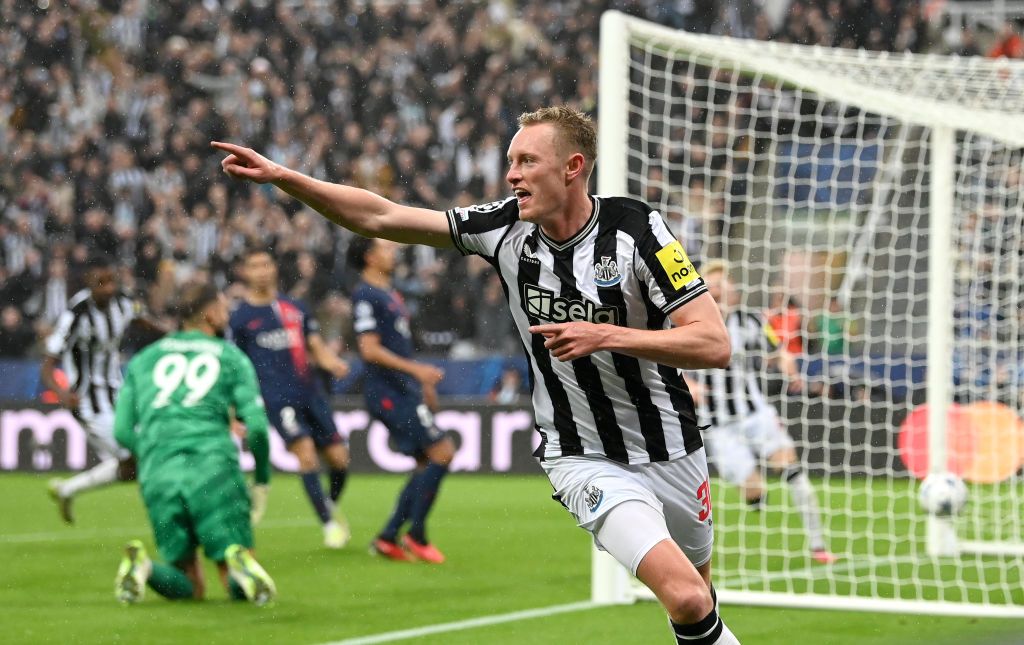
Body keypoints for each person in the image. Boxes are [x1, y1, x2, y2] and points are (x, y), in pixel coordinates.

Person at [213, 106, 740, 644]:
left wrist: (606, 334)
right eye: (510, 161)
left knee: (699, 597)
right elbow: (381, 217)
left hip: (674, 446)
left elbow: (713, 343)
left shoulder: (636, 228)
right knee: (688, 597)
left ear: (572, 167)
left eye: (527, 161)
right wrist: (286, 178)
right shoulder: (504, 227)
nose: (511, 174)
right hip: (582, 456)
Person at [112, 282, 276, 605]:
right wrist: (262, 479)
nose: (227, 310)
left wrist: (152, 453)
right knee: (234, 575)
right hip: (213, 468)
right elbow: (256, 428)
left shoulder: (144, 359)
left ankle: (143, 566)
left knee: (188, 586)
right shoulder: (231, 358)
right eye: (223, 304)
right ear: (211, 312)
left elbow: (120, 430)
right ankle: (237, 562)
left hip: (160, 474)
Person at [686, 262, 835, 565]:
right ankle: (755, 497)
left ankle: (819, 546)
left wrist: (785, 362)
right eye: (712, 288)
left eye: (723, 288)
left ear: (733, 292)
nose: (718, 293)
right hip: (719, 426)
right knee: (754, 490)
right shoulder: (688, 324)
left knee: (795, 474)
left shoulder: (749, 321)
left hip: (755, 416)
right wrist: (690, 385)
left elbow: (776, 348)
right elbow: (667, 366)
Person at [229, 247, 353, 549]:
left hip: (311, 393)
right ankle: (328, 525)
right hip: (276, 398)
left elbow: (315, 345)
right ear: (246, 273)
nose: (261, 270)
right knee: (306, 453)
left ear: (273, 269)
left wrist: (331, 362)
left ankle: (328, 504)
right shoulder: (240, 319)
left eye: (266, 263)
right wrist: (233, 412)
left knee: (340, 460)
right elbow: (234, 367)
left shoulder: (294, 308)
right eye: (254, 265)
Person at [347, 236, 454, 564]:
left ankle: (389, 536)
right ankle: (415, 534)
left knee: (427, 462)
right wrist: (416, 371)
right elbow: (369, 349)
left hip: (403, 389)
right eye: (385, 247)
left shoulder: (389, 293)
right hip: (386, 392)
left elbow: (398, 346)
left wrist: (420, 383)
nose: (394, 251)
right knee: (441, 452)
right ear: (369, 257)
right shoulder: (366, 295)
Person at [42, 254, 153, 523]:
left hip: (118, 392)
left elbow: (141, 320)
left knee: (133, 465)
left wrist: (174, 334)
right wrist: (61, 394)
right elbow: (47, 365)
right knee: (136, 458)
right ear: (89, 283)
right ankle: (167, 515)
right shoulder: (75, 314)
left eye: (111, 282)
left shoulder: (123, 301)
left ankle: (67, 490)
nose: (108, 289)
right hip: (86, 401)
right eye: (101, 283)